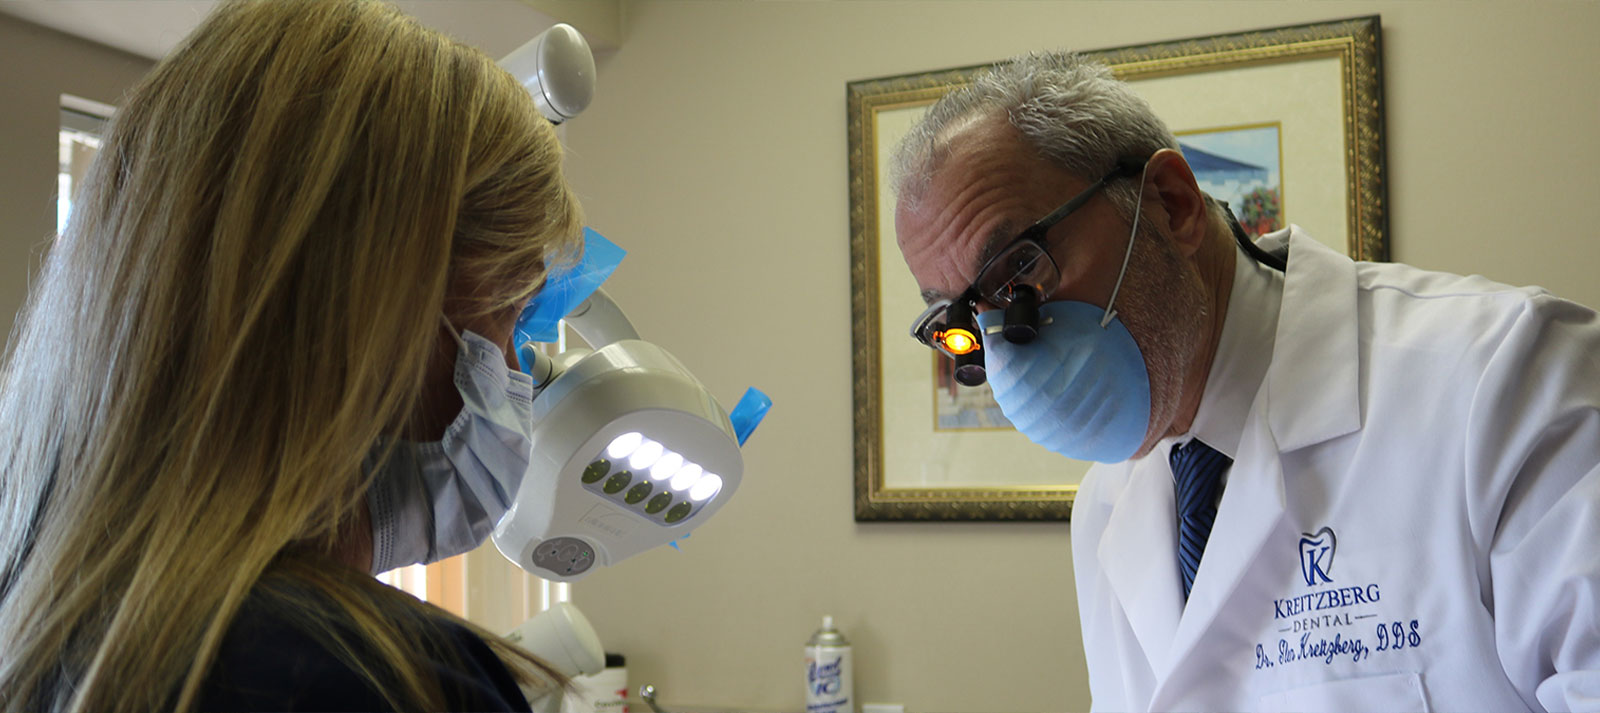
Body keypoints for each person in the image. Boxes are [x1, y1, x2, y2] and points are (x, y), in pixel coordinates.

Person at [891, 51, 1600, 712]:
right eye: (961, 319)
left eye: (1019, 272)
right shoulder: (1108, 507)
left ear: (1172, 204)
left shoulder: (1506, 377)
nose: (1006, 345)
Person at [0, 1, 585, 711]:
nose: (517, 375)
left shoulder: (46, 633)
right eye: (510, 315)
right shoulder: (379, 679)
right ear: (377, 317)